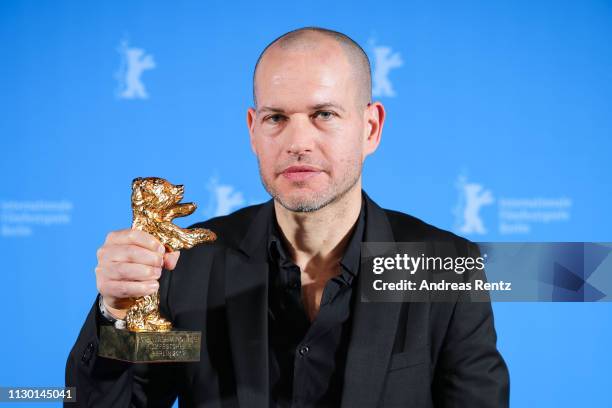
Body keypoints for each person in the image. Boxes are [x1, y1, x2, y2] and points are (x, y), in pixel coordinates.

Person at [66, 27, 509, 407]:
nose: (298, 141)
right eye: (276, 117)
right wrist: (116, 314)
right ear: (253, 131)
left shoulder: (444, 266)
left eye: (324, 115)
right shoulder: (187, 264)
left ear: (370, 128)